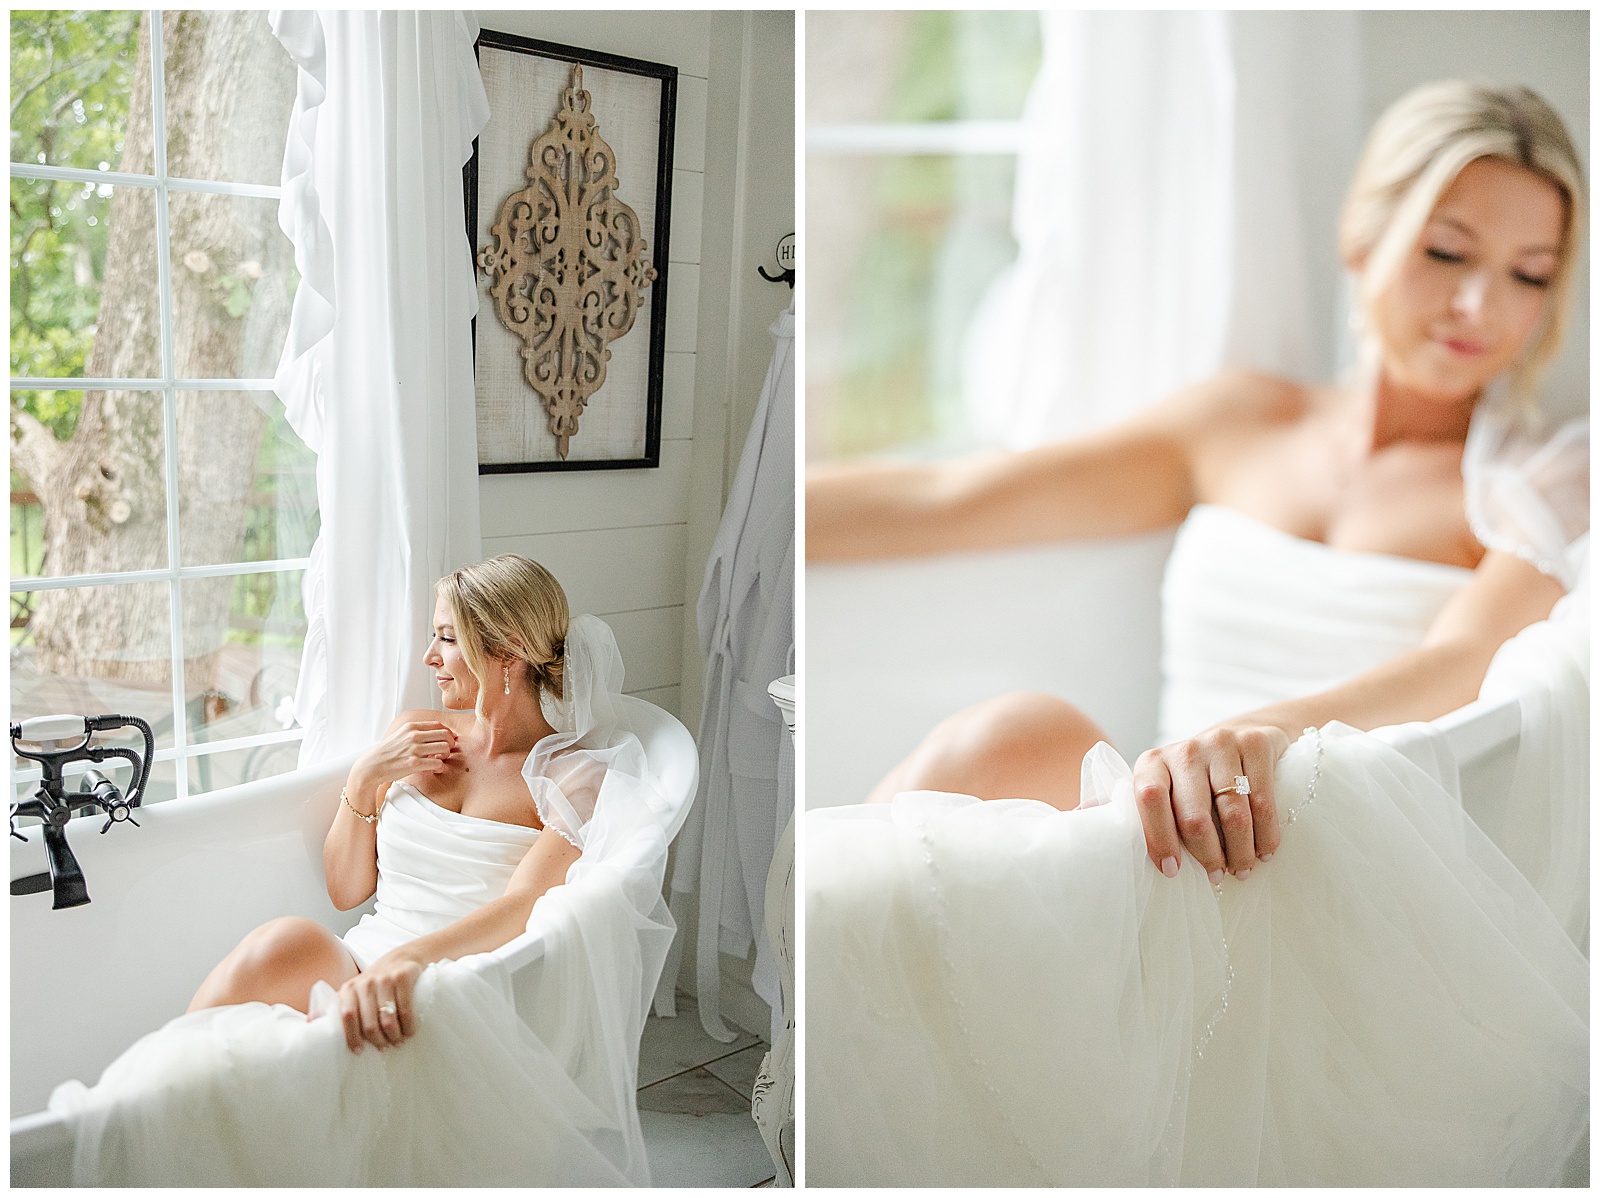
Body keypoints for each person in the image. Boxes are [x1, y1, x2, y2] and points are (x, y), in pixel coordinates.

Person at [804, 80, 1588, 1187]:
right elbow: (952, 498)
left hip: (1312, 858)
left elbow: (1461, 663)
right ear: (1365, 239)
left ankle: (808, 1052)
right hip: (1165, 819)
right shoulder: (1240, 421)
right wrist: (769, 512)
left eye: (1528, 275)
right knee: (1020, 742)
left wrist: (1255, 735)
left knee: (1021, 739)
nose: (1479, 308)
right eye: (1447, 252)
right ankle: (818, 1068)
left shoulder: (1541, 478)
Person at [185, 554, 604, 1054]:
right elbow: (346, 892)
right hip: (363, 961)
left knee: (271, 1052)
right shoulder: (417, 732)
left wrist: (405, 963)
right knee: (283, 943)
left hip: (452, 982)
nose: (430, 656)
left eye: (447, 639)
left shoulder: (569, 775)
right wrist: (367, 775)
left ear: (508, 651)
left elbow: (525, 905)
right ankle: (153, 1100)